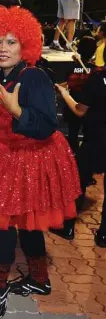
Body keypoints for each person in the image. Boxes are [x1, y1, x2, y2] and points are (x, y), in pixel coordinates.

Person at [0, 7, 81, 318]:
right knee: (27, 221)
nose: (3, 48)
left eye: (11, 41)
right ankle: (39, 279)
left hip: (31, 159)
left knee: (5, 225)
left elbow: (48, 123)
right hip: (8, 158)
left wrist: (17, 110)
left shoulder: (33, 76)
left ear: (26, 45)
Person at [56, 44, 106, 248]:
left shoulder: (97, 78)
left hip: (95, 139)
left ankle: (68, 227)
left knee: (78, 182)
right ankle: (103, 235)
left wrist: (64, 93)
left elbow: (80, 110)